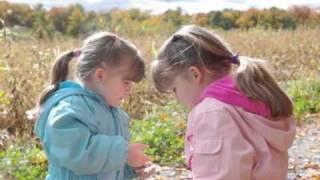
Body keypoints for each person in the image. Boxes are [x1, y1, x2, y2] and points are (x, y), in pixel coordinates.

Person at [151, 25, 296, 180]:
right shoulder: (250, 98)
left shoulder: (212, 113)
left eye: (174, 89)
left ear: (194, 74)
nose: (177, 98)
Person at [34, 32, 151, 179]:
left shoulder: (115, 113)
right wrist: (123, 153)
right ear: (100, 75)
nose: (130, 89)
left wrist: (130, 168)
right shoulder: (69, 109)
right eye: (126, 82)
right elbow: (77, 153)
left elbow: (105, 165)